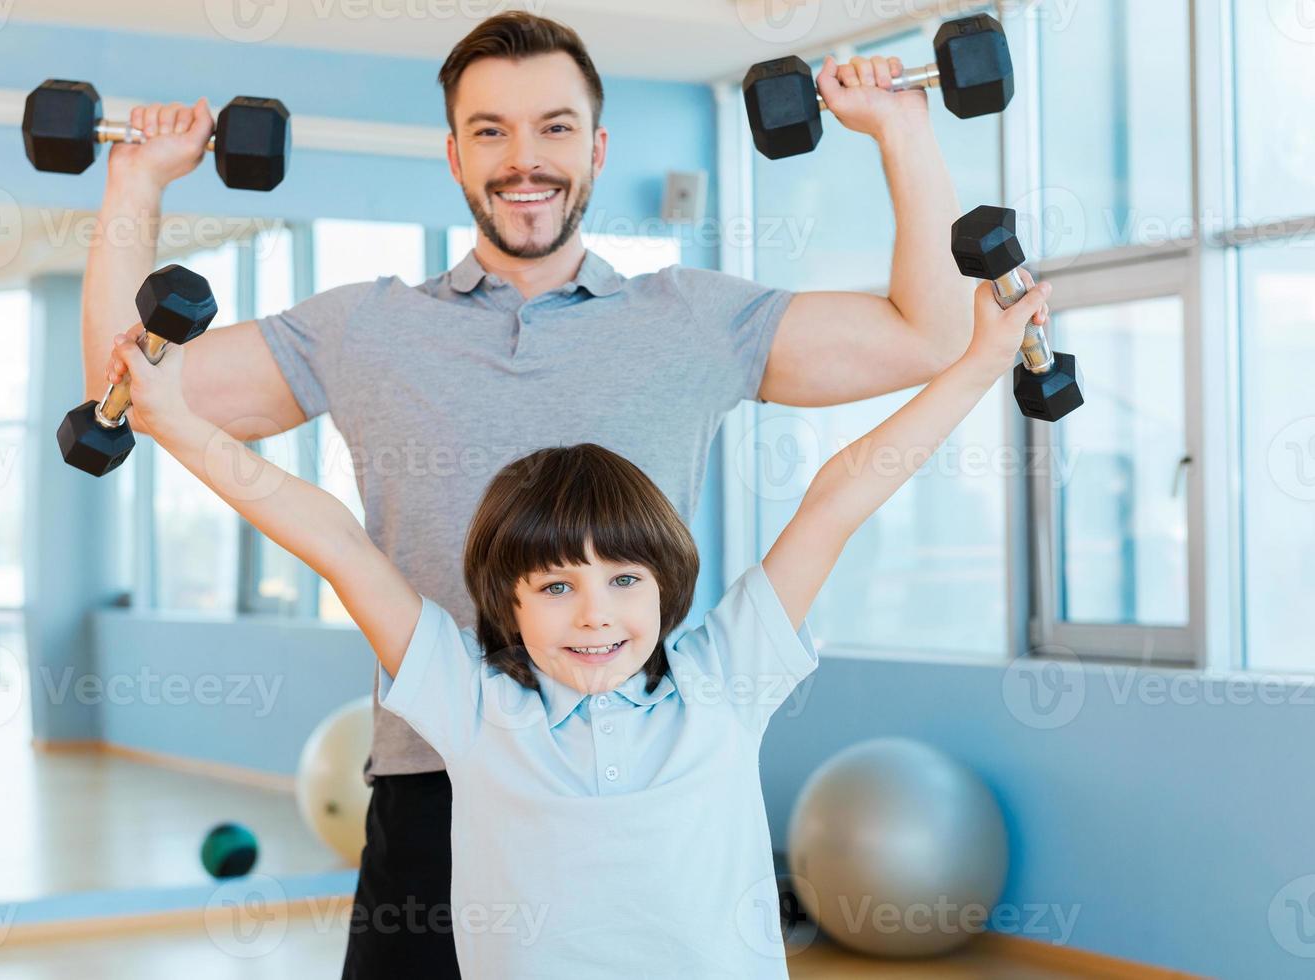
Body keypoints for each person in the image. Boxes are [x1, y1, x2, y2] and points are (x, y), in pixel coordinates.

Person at [81, 12, 1046, 975]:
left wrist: (902, 130)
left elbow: (921, 339)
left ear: (596, 146)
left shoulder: (693, 319)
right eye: (491, 131)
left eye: (553, 126)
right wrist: (135, 181)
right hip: (437, 762)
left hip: (651, 758)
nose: (523, 159)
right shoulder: (362, 328)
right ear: (455, 155)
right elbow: (134, 391)